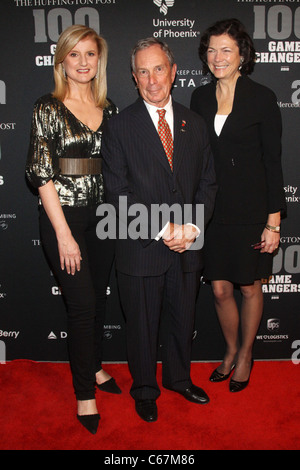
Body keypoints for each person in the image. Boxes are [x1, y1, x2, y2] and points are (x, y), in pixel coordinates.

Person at [101, 37, 217, 422]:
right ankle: (145, 389)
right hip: (141, 247)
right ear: (134, 78)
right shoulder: (118, 127)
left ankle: (180, 379)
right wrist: (163, 227)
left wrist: (192, 228)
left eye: (159, 69)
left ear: (173, 71)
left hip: (188, 245)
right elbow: (117, 191)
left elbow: (208, 183)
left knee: (184, 319)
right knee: (142, 325)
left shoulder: (194, 123)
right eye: (143, 72)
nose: (153, 80)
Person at [26, 25, 121, 435]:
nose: (83, 62)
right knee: (81, 308)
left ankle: (96, 367)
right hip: (64, 218)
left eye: (90, 54)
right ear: (62, 60)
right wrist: (63, 234)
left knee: (97, 301)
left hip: (104, 218)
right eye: (75, 55)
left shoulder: (112, 109)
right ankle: (85, 393)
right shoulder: (47, 107)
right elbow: (42, 175)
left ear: (99, 61)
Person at [190, 19, 286, 392]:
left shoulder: (261, 97)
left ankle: (246, 354)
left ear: (243, 55)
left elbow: (272, 162)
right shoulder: (199, 97)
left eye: (226, 50)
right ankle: (229, 350)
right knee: (218, 289)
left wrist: (273, 221)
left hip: (252, 212)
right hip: (212, 211)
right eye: (212, 50)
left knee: (248, 287)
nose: (218, 57)